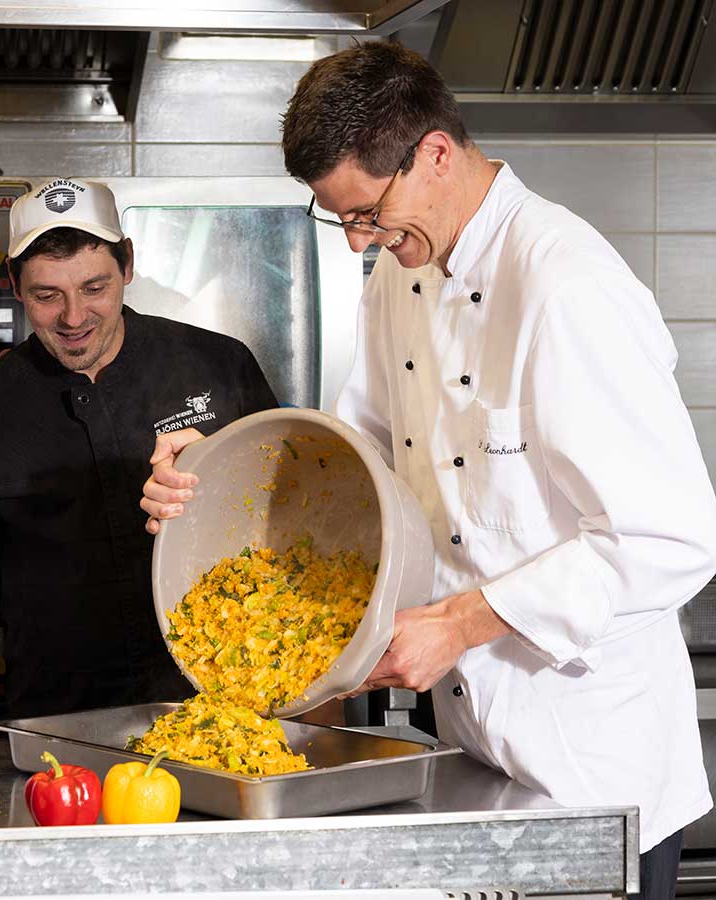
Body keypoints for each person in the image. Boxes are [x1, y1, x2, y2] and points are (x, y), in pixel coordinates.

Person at [140, 42, 716, 897]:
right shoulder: (400, 277)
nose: (360, 243)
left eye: (369, 215)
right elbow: (357, 461)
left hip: (598, 777)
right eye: (341, 222)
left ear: (436, 154)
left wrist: (458, 622)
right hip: (476, 757)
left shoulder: (565, 286)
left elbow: (671, 537)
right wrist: (216, 470)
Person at [0, 178, 278, 739]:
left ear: (128, 265)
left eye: (95, 287)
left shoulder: (218, 366)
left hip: (220, 717)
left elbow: (288, 538)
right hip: (56, 730)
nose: (73, 317)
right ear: (14, 284)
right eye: (46, 295)